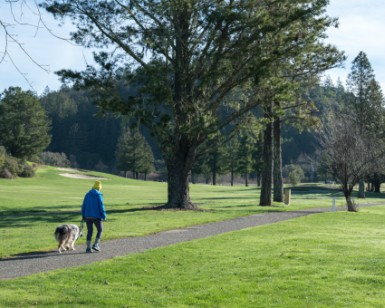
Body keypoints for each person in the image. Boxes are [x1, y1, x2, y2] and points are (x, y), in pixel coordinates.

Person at [81, 180, 107, 253]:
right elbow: (101, 206)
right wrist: (104, 215)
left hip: (87, 216)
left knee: (90, 231)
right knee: (100, 230)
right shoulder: (99, 195)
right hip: (96, 216)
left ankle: (88, 248)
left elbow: (84, 206)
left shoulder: (87, 194)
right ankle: (96, 244)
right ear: (99, 188)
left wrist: (83, 215)